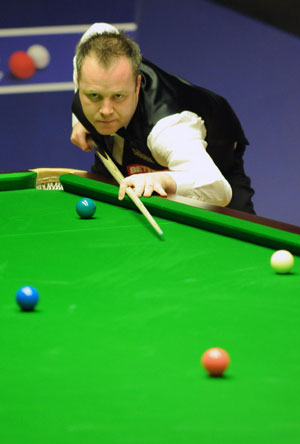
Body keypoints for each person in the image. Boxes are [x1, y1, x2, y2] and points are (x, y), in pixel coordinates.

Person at [71, 23, 255, 213]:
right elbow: (99, 28)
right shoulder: (89, 60)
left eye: (118, 96)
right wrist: (80, 120)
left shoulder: (170, 129)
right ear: (79, 80)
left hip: (211, 157)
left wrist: (163, 179)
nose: (105, 111)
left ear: (136, 85)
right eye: (94, 95)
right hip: (120, 150)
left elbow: (217, 188)